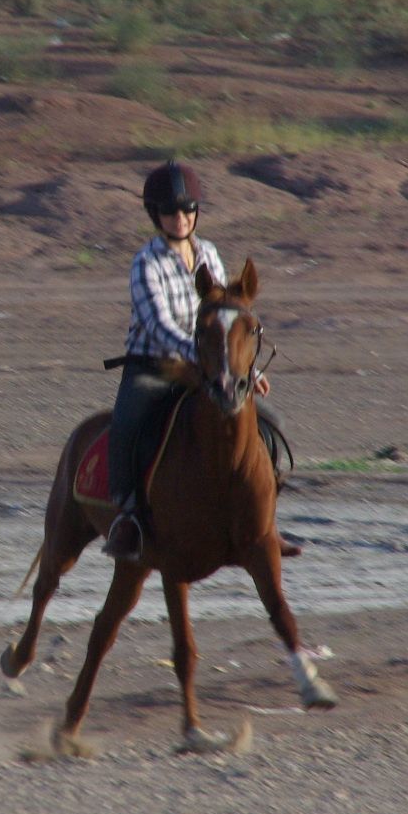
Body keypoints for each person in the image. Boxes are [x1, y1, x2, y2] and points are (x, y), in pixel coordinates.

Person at [103, 162, 272, 563]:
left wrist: (246, 369)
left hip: (210, 366)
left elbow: (227, 319)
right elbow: (159, 325)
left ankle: (263, 520)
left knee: (266, 424)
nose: (180, 219)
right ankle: (128, 518)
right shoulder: (146, 263)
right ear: (155, 215)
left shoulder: (209, 254)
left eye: (187, 210)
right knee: (127, 425)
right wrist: (208, 361)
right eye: (169, 212)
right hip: (152, 366)